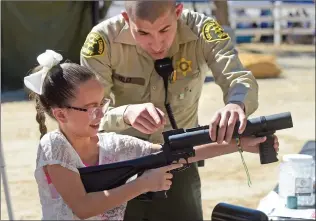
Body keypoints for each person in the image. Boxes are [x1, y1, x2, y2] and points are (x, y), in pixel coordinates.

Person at [25, 50, 278, 220]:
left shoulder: (111, 143)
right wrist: (143, 184)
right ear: (60, 115)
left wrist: (239, 143)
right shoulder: (54, 146)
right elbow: (82, 207)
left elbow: (176, 155)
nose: (101, 114)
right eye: (90, 108)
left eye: (101, 104)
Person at [80, 1, 260, 220]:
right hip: (119, 166)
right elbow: (86, 114)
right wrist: (125, 114)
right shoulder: (103, 40)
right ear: (127, 20)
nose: (156, 43)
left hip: (181, 162)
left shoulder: (202, 30)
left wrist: (236, 104)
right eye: (143, 32)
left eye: (165, 29)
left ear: (178, 12)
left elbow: (238, 78)